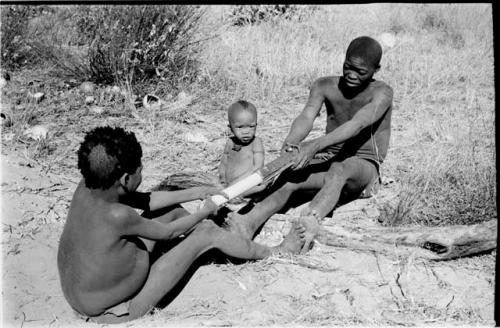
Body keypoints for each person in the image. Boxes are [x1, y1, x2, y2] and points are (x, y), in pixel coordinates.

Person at [57, 126, 306, 324]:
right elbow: (169, 233)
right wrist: (206, 211)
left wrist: (197, 192)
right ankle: (277, 252)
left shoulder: (90, 188)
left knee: (173, 211)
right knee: (206, 232)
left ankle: (227, 239)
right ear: (125, 178)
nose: (142, 177)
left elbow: (147, 200)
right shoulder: (118, 216)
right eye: (140, 172)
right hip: (116, 311)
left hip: (82, 295)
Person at [226, 36, 393, 253]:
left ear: (376, 69)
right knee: (290, 177)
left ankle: (307, 225)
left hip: (364, 170)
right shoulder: (325, 85)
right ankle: (246, 224)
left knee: (339, 169)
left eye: (361, 72)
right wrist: (291, 143)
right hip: (330, 160)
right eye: (348, 67)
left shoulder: (382, 92)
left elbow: (357, 125)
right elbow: (306, 116)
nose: (351, 74)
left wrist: (314, 146)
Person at [219, 100, 266, 201]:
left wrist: (238, 183)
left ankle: (243, 197)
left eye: (251, 126)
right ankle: (232, 196)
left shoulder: (256, 142)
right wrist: (222, 179)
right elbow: (224, 162)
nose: (246, 132)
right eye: (240, 127)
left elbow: (258, 167)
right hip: (229, 185)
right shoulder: (230, 142)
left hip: (248, 184)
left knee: (262, 187)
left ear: (256, 125)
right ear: (230, 128)